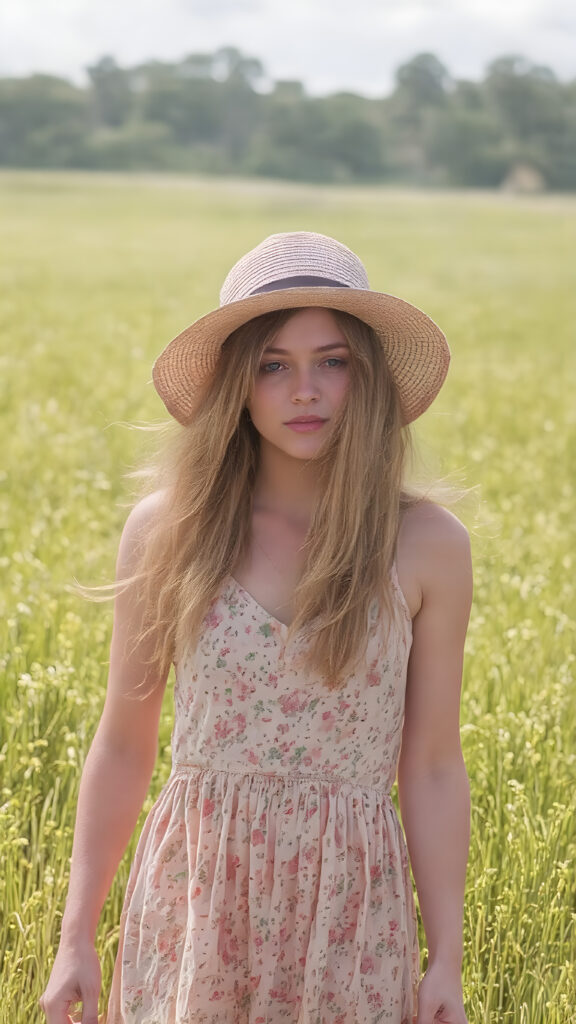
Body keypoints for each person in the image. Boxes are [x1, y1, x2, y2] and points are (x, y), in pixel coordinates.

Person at [39, 231, 472, 1024]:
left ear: (366, 377)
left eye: (332, 361)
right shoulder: (170, 530)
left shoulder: (427, 545)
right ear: (239, 383)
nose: (304, 389)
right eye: (273, 364)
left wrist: (446, 956)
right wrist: (76, 938)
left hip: (349, 913)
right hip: (197, 901)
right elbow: (125, 743)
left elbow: (435, 764)